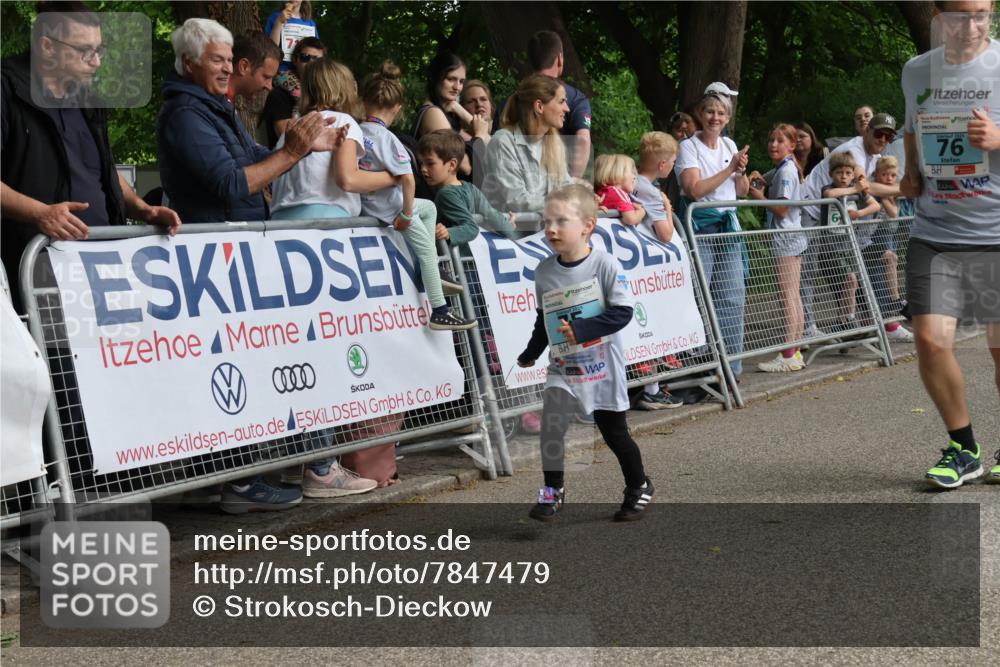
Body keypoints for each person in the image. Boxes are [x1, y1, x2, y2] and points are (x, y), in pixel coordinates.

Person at [1, 1, 181, 313]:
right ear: (47, 46)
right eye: (84, 50)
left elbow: (103, 170)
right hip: (35, 268)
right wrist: (39, 213)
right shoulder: (5, 89)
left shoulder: (88, 98)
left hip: (101, 266)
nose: (96, 62)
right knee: (55, 359)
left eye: (100, 50)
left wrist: (143, 209)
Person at [899, 0, 1000, 487]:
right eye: (960, 14)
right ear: (939, 15)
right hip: (935, 233)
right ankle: (964, 448)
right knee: (929, 340)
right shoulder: (917, 71)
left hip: (997, 234)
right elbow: (913, 129)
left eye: (982, 13)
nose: (971, 25)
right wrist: (910, 171)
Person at [516, 184, 654, 522]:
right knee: (551, 427)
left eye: (561, 221)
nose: (551, 229)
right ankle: (552, 492)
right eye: (547, 221)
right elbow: (544, 318)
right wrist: (532, 351)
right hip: (564, 366)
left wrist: (581, 330)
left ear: (587, 226)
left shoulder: (604, 265)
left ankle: (639, 485)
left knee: (615, 434)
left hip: (602, 366)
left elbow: (622, 312)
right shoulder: (545, 271)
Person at [158, 20, 340, 225]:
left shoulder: (216, 107)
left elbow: (252, 156)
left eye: (229, 60)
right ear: (189, 64)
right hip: (215, 244)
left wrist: (304, 145)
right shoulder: (186, 113)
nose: (228, 69)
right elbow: (230, 184)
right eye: (218, 60)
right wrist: (291, 152)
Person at [358, 62, 476, 331]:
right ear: (398, 108)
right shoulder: (388, 139)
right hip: (393, 209)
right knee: (425, 249)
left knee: (430, 208)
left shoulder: (357, 132)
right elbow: (409, 179)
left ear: (364, 101)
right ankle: (440, 310)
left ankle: (430, 269)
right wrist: (407, 214)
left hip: (369, 204)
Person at [799, 112, 900, 336]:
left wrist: (863, 209)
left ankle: (852, 322)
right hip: (810, 212)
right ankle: (806, 327)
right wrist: (904, 190)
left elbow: (869, 196)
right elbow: (865, 187)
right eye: (879, 133)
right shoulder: (854, 150)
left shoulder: (873, 156)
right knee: (808, 271)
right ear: (867, 131)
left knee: (846, 275)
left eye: (889, 137)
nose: (883, 139)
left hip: (834, 221)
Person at [674, 92, 750, 379]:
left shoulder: (729, 144)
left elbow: (739, 192)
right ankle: (699, 366)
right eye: (709, 111)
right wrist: (730, 167)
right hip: (701, 228)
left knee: (732, 297)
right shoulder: (688, 147)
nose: (715, 117)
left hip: (728, 229)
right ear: (700, 114)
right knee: (700, 297)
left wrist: (740, 172)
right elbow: (693, 189)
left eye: (720, 113)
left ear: (728, 118)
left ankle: (732, 368)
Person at [630, 131, 685, 409]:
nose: (674, 166)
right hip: (646, 269)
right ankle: (652, 389)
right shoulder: (649, 191)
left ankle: (652, 386)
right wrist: (666, 208)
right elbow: (664, 233)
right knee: (651, 325)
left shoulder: (629, 181)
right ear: (663, 165)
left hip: (637, 265)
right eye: (673, 161)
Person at [748, 124, 808, 372]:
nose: (773, 145)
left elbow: (782, 209)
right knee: (793, 294)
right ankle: (795, 350)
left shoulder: (786, 172)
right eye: (771, 140)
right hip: (793, 236)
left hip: (787, 238)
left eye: (780, 141)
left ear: (791, 146)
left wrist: (759, 198)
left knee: (787, 296)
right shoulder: (784, 168)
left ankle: (788, 353)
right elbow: (763, 179)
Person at [495, 31, 593, 178]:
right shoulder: (577, 99)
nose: (566, 108)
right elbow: (583, 140)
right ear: (560, 59)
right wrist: (573, 185)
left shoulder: (512, 100)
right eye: (561, 102)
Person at [482, 74, 572, 213]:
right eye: (561, 101)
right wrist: (566, 205)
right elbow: (517, 201)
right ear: (539, 106)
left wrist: (586, 201)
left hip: (542, 232)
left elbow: (566, 187)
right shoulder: (503, 142)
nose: (567, 108)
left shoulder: (554, 143)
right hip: (506, 234)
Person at [818, 152, 881, 332]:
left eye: (847, 173)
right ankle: (847, 320)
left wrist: (859, 214)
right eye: (839, 173)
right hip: (830, 248)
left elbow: (875, 206)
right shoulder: (828, 189)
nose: (843, 176)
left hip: (849, 247)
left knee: (854, 284)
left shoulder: (857, 192)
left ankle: (847, 320)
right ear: (831, 174)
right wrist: (855, 190)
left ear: (853, 174)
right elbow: (831, 193)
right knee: (848, 281)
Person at [419, 129, 515, 246]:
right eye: (421, 163)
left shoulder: (446, 194)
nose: (423, 169)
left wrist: (448, 233)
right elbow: (492, 215)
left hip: (454, 260)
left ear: (452, 164)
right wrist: (508, 226)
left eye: (430, 163)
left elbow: (471, 227)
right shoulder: (470, 188)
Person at [260, 36, 325, 148]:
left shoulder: (326, 94)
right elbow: (286, 137)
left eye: (317, 59)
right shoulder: (279, 94)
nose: (311, 63)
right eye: (305, 57)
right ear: (295, 60)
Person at [264, 0, 317, 71]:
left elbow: (316, 49)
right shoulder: (275, 17)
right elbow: (271, 48)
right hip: (282, 69)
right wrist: (279, 22)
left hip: (306, 70)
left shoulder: (310, 23)